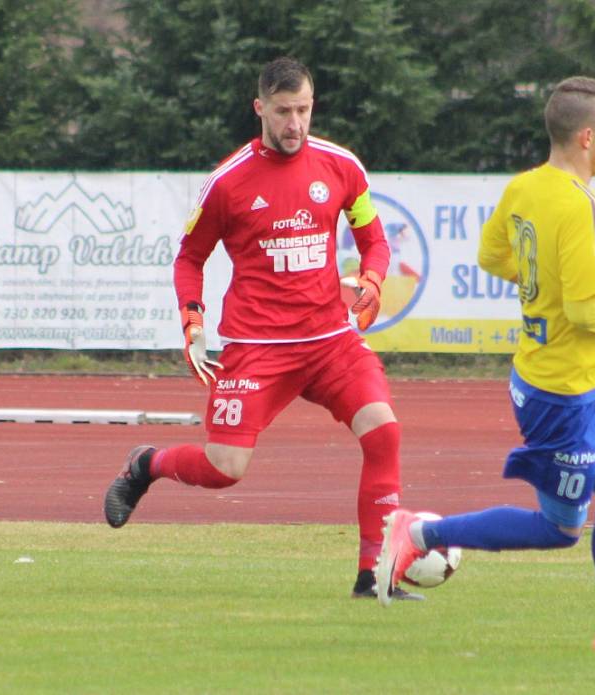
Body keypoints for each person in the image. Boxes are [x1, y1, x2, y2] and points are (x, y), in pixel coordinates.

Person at [375, 76, 595, 651]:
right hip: (564, 391)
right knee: (559, 529)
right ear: (587, 136)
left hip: (593, 383)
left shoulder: (525, 187)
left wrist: (554, 285)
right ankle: (420, 532)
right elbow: (586, 311)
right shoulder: (583, 208)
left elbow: (492, 255)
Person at [104, 56, 421, 601]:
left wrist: (372, 277)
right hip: (258, 347)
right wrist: (193, 319)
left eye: (303, 109)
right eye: (282, 111)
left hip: (329, 341)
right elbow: (189, 259)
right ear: (260, 109)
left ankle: (373, 577)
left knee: (384, 432)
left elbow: (373, 237)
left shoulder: (342, 166)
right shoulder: (227, 183)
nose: (294, 123)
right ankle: (147, 463)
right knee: (226, 468)